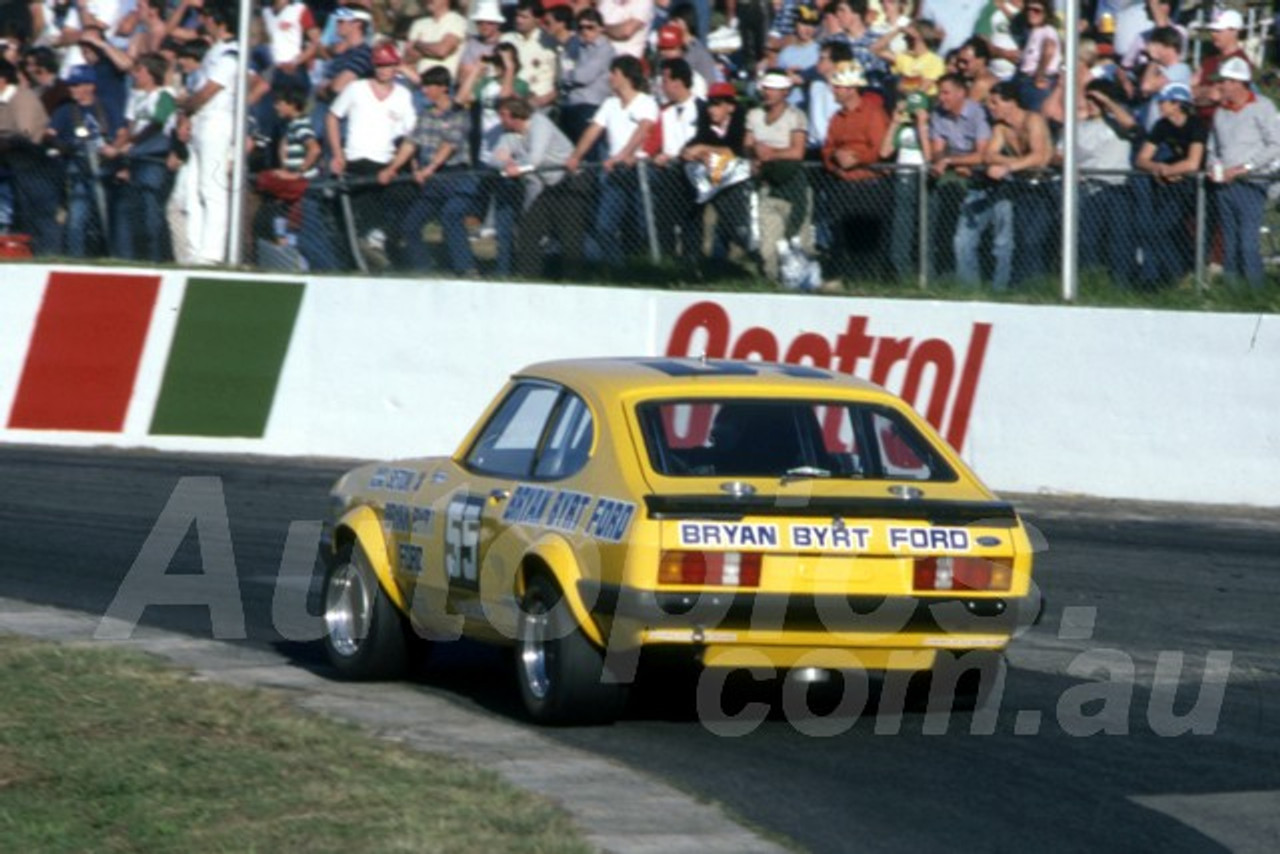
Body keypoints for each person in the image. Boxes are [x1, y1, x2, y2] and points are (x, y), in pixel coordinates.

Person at [326, 40, 417, 268]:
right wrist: (337, 154)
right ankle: (354, 259)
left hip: (384, 163)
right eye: (380, 65)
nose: (384, 70)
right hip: (355, 161)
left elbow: (411, 136)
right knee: (349, 218)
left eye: (389, 65)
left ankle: (382, 253)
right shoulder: (356, 89)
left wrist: (394, 168)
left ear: (396, 66)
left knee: (401, 202)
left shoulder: (403, 96)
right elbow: (332, 116)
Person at [566, 54, 657, 270]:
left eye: (614, 73)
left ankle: (645, 269)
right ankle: (619, 269)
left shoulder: (647, 102)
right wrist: (576, 156)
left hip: (638, 170)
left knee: (641, 226)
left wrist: (624, 155)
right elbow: (593, 131)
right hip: (615, 172)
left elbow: (643, 130)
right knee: (604, 226)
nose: (610, 78)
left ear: (626, 76)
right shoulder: (609, 104)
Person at [385, 65, 478, 275]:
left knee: (451, 216)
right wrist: (393, 168)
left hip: (457, 176)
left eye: (429, 86)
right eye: (424, 85)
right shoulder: (425, 115)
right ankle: (423, 269)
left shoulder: (458, 114)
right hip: (433, 181)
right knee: (411, 225)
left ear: (444, 88)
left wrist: (429, 169)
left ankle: (466, 269)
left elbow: (450, 145)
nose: (424, 90)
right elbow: (410, 143)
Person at [1208, 57, 1280, 290]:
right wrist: (1213, 166)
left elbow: (1276, 144)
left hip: (1251, 183)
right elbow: (1213, 147)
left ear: (1239, 83)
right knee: (1230, 241)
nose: (1221, 86)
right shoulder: (1221, 113)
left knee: (1248, 242)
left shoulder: (1263, 107)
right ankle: (1234, 291)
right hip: (1225, 184)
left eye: (1226, 81)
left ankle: (1255, 291)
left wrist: (1247, 168)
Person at [490, 94, 580, 277]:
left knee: (569, 235)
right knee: (528, 231)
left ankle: (575, 278)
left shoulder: (539, 123)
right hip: (547, 186)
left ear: (511, 114)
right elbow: (496, 157)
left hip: (570, 181)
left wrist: (517, 167)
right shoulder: (509, 136)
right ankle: (529, 277)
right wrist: (506, 164)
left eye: (502, 115)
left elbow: (535, 159)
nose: (500, 120)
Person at [979, 79, 1054, 289]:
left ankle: (1036, 285)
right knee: (1020, 238)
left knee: (1033, 239)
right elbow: (989, 156)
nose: (990, 107)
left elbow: (1039, 157)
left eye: (995, 103)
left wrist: (1008, 168)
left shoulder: (1033, 120)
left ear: (1011, 102)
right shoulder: (1001, 128)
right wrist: (1018, 163)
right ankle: (1021, 286)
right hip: (1022, 187)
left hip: (1043, 187)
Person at [820, 61, 891, 282]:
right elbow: (827, 148)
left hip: (869, 186)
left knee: (866, 242)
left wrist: (856, 160)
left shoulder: (874, 114)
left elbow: (880, 151)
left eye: (838, 86)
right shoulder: (836, 118)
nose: (834, 90)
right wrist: (835, 160)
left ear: (851, 89)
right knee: (840, 238)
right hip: (843, 185)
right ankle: (843, 279)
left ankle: (868, 282)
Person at [180, 0, 239, 265]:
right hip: (200, 122)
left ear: (218, 20)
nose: (203, 22)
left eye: (206, 17)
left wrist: (184, 104)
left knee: (212, 187)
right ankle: (195, 249)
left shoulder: (232, 53)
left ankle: (212, 252)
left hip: (217, 121)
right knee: (193, 188)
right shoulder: (213, 52)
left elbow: (206, 93)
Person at [48, 64, 125, 258]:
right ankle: (76, 257)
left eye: (77, 85)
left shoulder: (106, 106)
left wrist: (114, 148)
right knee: (77, 215)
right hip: (78, 165)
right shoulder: (65, 110)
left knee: (109, 213)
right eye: (71, 86)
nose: (73, 90)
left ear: (90, 86)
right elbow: (49, 133)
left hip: (104, 164)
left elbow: (122, 132)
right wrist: (61, 145)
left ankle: (113, 255)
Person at [1133, 81, 1204, 290]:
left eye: (1164, 102)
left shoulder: (1195, 125)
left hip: (1193, 186)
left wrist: (1169, 171)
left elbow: (1193, 162)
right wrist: (1159, 167)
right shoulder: (1161, 125)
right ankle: (1170, 276)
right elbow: (1141, 159)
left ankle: (1176, 273)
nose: (1160, 105)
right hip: (1172, 182)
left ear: (1177, 104)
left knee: (1162, 229)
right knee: (1157, 229)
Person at [682, 80, 756, 274]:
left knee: (739, 227)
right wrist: (699, 153)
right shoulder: (707, 125)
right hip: (715, 185)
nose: (711, 109)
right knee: (707, 224)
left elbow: (734, 150)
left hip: (738, 185)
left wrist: (705, 149)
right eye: (710, 104)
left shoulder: (741, 122)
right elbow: (690, 149)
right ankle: (705, 265)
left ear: (730, 107)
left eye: (717, 104)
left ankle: (746, 262)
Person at [746, 68, 810, 283]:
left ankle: (802, 284)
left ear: (785, 92)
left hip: (792, 186)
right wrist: (755, 150)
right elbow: (747, 143)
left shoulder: (796, 117)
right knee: (768, 248)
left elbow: (797, 151)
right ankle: (773, 283)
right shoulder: (755, 116)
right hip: (767, 187)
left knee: (798, 243)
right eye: (766, 88)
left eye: (774, 89)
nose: (768, 93)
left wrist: (770, 154)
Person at [1075, 77, 1138, 286]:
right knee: (1087, 241)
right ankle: (1090, 282)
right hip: (1089, 189)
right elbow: (1059, 153)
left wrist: (1106, 101)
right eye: (1088, 99)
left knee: (1118, 242)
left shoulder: (1116, 123)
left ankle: (1121, 285)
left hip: (1116, 189)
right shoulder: (1080, 127)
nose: (1091, 104)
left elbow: (1132, 126)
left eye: (1095, 100)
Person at [930, 72, 991, 282]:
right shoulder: (938, 114)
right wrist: (944, 160)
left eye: (946, 93)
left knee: (971, 238)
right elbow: (936, 151)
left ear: (961, 93)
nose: (942, 98)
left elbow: (983, 154)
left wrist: (950, 161)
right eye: (940, 93)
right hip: (955, 173)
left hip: (980, 178)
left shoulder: (977, 113)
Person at [116, 51, 176, 261]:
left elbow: (158, 123)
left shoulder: (165, 96)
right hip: (135, 159)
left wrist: (133, 142)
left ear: (151, 73)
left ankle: (158, 258)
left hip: (153, 160)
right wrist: (117, 148)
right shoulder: (136, 97)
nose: (135, 75)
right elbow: (129, 127)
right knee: (131, 212)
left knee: (152, 213)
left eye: (139, 70)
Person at [649, 57, 703, 271]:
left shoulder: (702, 108)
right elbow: (654, 143)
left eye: (665, 80)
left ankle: (693, 262)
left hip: (695, 173)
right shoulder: (664, 112)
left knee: (692, 221)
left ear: (678, 82)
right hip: (669, 174)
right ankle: (668, 264)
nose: (662, 86)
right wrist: (656, 156)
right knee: (664, 220)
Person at [0, 56, 57, 254]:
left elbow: (24, 134)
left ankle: (49, 254)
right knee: (22, 215)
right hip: (15, 169)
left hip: (37, 167)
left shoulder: (23, 98)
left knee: (40, 217)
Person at [879, 89, 929, 283]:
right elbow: (884, 152)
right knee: (902, 228)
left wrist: (922, 125)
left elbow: (929, 156)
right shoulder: (904, 128)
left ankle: (924, 274)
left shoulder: (927, 128)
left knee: (923, 228)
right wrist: (895, 123)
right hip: (902, 179)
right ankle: (900, 273)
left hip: (921, 178)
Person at [555, 7, 614, 147]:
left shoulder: (605, 49)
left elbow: (583, 76)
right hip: (570, 103)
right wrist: (569, 75)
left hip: (591, 105)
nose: (585, 31)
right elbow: (561, 74)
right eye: (581, 27)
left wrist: (569, 76)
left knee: (589, 152)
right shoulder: (574, 45)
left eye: (590, 27)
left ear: (601, 28)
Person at [1016, 0, 1060, 113]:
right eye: (1028, 10)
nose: (1031, 13)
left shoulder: (1048, 30)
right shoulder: (1034, 31)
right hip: (1025, 79)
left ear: (1046, 13)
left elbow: (1049, 48)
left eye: (1037, 11)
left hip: (1036, 83)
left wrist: (1040, 75)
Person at [405, 0, 467, 80]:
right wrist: (433, 48)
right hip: (419, 81)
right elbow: (409, 57)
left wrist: (418, 44)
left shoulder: (457, 21)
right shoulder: (418, 24)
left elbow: (442, 51)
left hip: (443, 84)